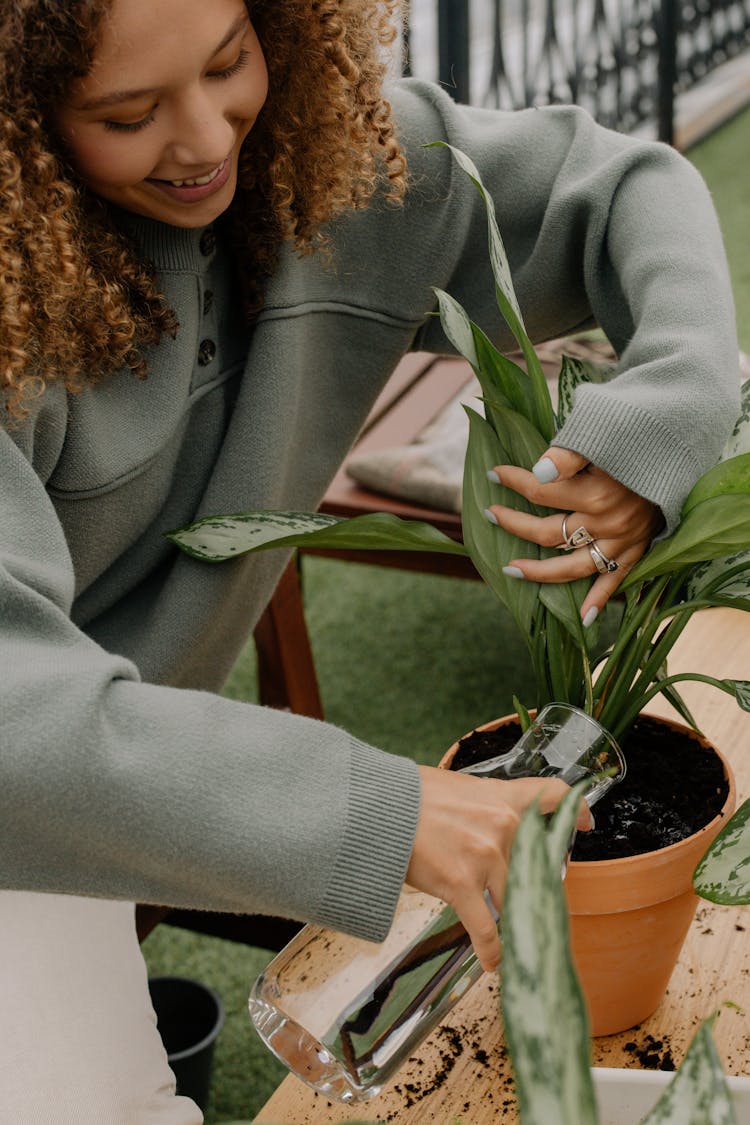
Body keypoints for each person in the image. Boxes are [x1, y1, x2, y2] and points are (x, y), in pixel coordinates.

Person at [0, 0, 739, 1120]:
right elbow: (22, 726)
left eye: (228, 60)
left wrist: (665, 414)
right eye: (128, 112)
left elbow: (622, 189)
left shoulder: (325, 164)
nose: (205, 139)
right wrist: (385, 817)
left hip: (119, 784)